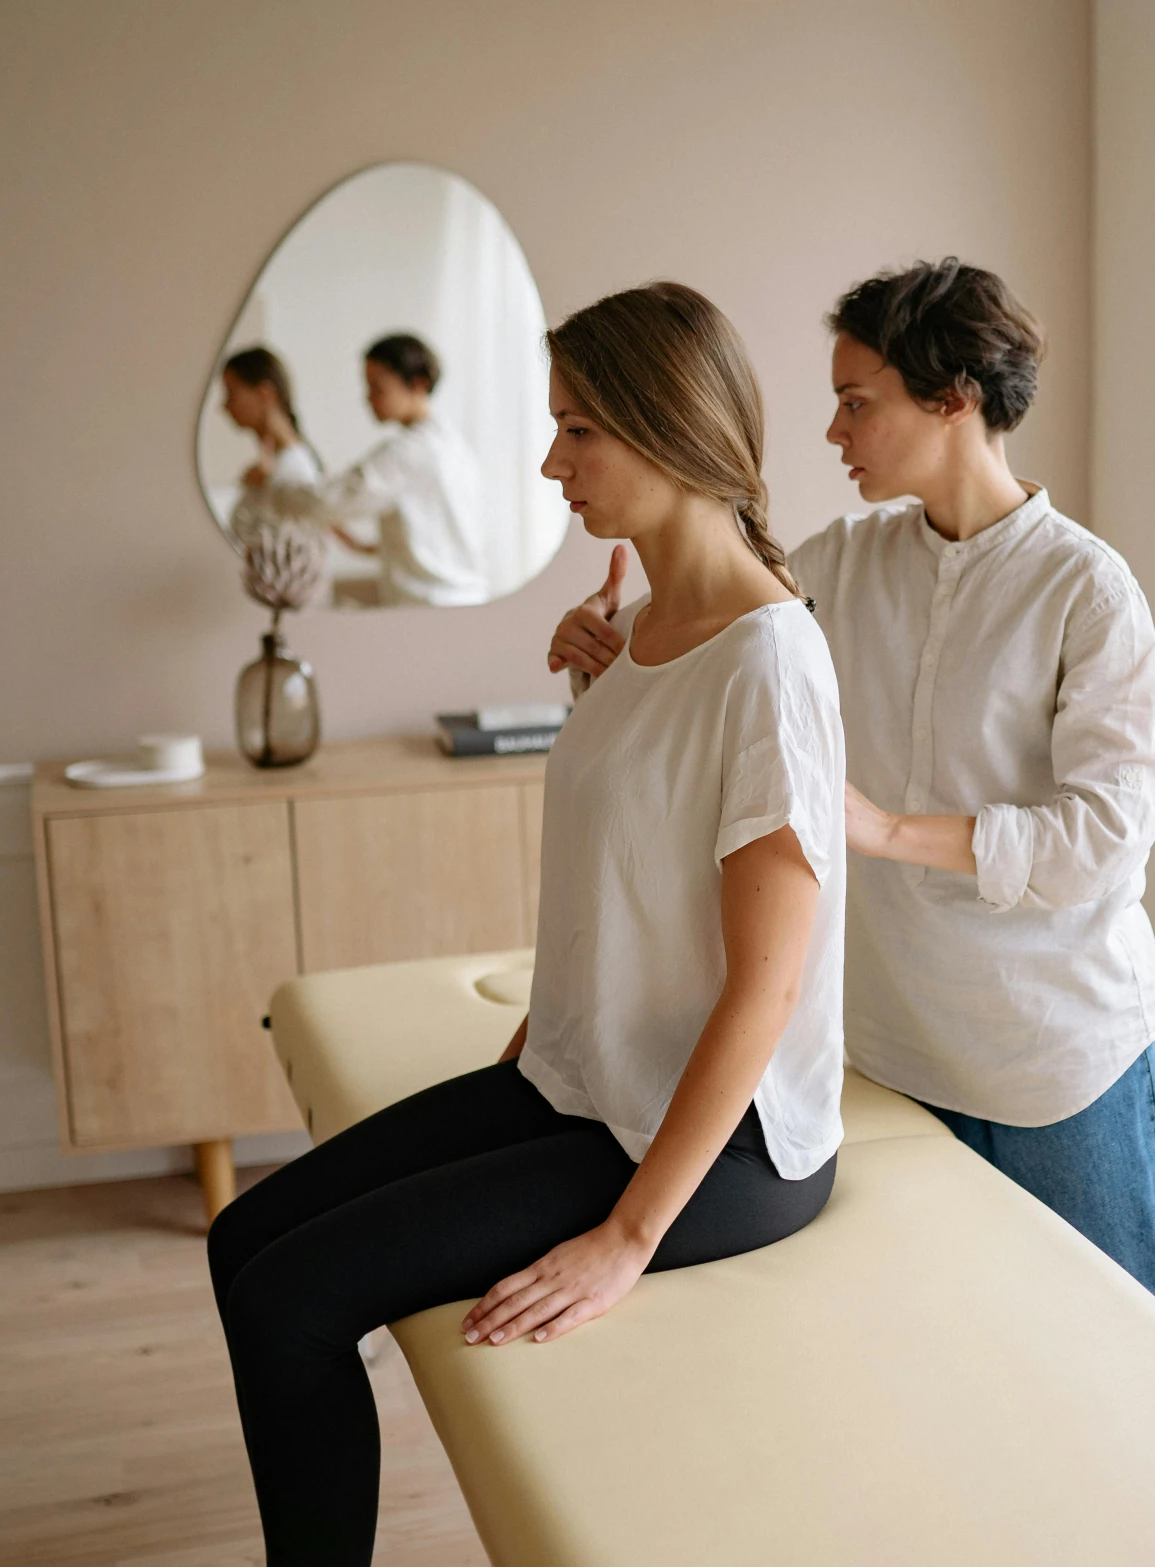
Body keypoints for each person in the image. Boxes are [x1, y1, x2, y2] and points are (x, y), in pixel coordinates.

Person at [208, 281, 846, 1563]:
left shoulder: (769, 664)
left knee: (291, 1299)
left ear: (668, 434)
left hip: (722, 1148)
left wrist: (625, 1240)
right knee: (244, 1239)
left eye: (578, 433)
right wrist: (601, 682)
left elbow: (764, 992)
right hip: (583, 1079)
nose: (551, 464)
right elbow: (629, 859)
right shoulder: (640, 625)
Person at [550, 259, 1155, 1336]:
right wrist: (609, 655)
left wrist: (888, 830)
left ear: (953, 400)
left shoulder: (1085, 589)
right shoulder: (842, 562)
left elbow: (1108, 835)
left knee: (1141, 1338)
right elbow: (728, 667)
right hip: (895, 1048)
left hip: (1053, 1051)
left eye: (858, 402)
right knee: (969, 1339)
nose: (833, 431)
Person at [253, 332, 491, 606]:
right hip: (463, 599)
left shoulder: (410, 451)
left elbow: (330, 500)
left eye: (377, 388)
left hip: (430, 607)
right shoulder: (453, 444)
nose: (367, 399)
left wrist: (275, 485)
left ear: (418, 384)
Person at [217, 346, 321, 546]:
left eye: (231, 393)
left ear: (265, 393)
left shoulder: (291, 469)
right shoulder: (271, 468)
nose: (225, 406)